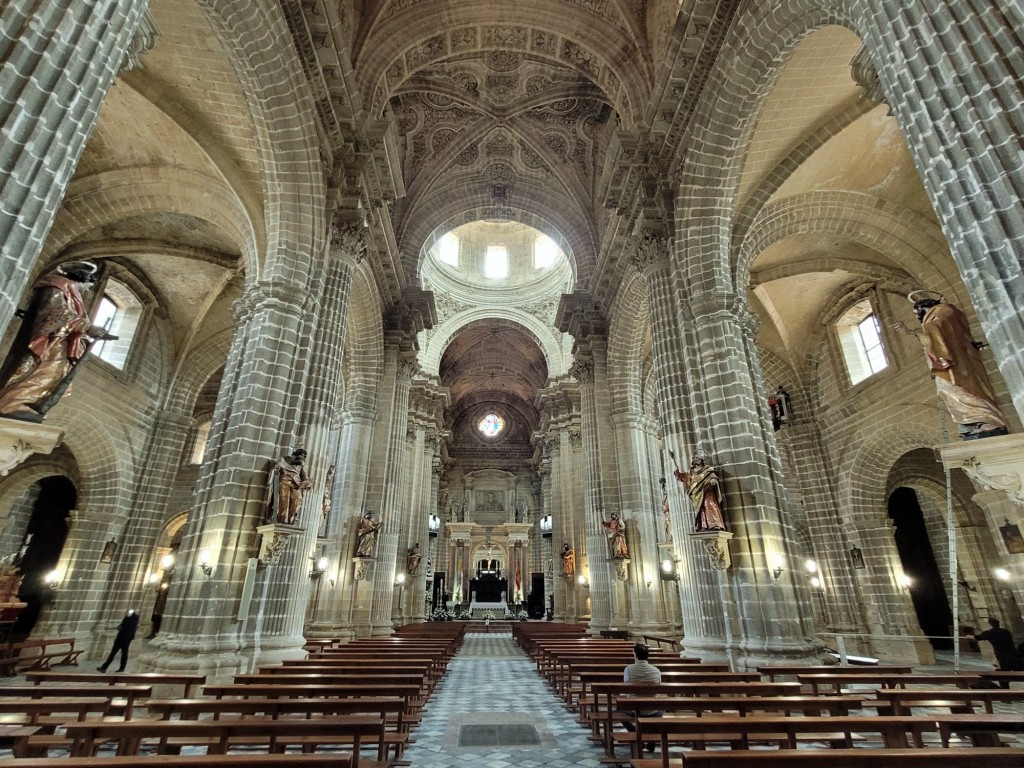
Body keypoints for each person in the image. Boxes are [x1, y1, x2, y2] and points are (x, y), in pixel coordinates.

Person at [0, 261, 117, 421]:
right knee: (43, 372)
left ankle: (27, 405)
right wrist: (87, 327)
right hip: (50, 343)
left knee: (56, 375)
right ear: (83, 279)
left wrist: (88, 331)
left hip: (61, 342)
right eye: (89, 285)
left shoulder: (69, 291)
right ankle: (13, 404)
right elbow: (55, 312)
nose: (88, 290)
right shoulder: (57, 286)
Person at [895, 292, 1008, 440]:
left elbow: (939, 330)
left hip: (958, 363)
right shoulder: (932, 319)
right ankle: (971, 423)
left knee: (960, 390)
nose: (917, 316)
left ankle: (988, 421)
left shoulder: (945, 310)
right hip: (947, 363)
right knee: (946, 391)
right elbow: (932, 341)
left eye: (918, 312)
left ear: (925, 307)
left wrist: (912, 332)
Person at [616, 643, 662, 752]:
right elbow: (659, 688)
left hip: (634, 708)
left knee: (618, 710)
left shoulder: (628, 669)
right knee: (660, 710)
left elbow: (627, 687)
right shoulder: (656, 670)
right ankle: (651, 742)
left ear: (635, 655)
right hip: (652, 709)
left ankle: (634, 732)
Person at [675, 453, 726, 531]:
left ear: (701, 460)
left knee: (710, 505)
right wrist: (677, 473)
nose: (694, 459)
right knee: (701, 509)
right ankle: (704, 525)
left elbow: (712, 476)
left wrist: (713, 480)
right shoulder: (691, 471)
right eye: (694, 458)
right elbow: (684, 477)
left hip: (707, 491)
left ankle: (715, 524)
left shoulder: (707, 469)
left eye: (696, 458)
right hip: (697, 494)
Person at [970, 618, 1023, 686]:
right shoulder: (1006, 631)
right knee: (1017, 670)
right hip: (1013, 653)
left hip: (1002, 656)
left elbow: (977, 637)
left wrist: (970, 636)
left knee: (1004, 674)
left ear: (990, 625)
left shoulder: (989, 633)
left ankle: (1005, 689)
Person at [267, 448, 312, 525]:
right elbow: (275, 471)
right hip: (284, 484)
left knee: (297, 500)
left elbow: (305, 477)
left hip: (296, 486)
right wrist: (275, 469)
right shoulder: (283, 462)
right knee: (284, 502)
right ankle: (282, 519)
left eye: (303, 456)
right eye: (301, 455)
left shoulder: (300, 466)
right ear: (295, 455)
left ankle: (290, 520)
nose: (302, 458)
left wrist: (306, 483)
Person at [97, 608, 140, 673]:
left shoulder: (130, 620)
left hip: (123, 640)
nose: (127, 614)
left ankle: (109, 668)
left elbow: (126, 629)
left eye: (129, 613)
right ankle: (109, 668)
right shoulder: (132, 620)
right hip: (124, 640)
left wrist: (121, 630)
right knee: (119, 654)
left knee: (118, 654)